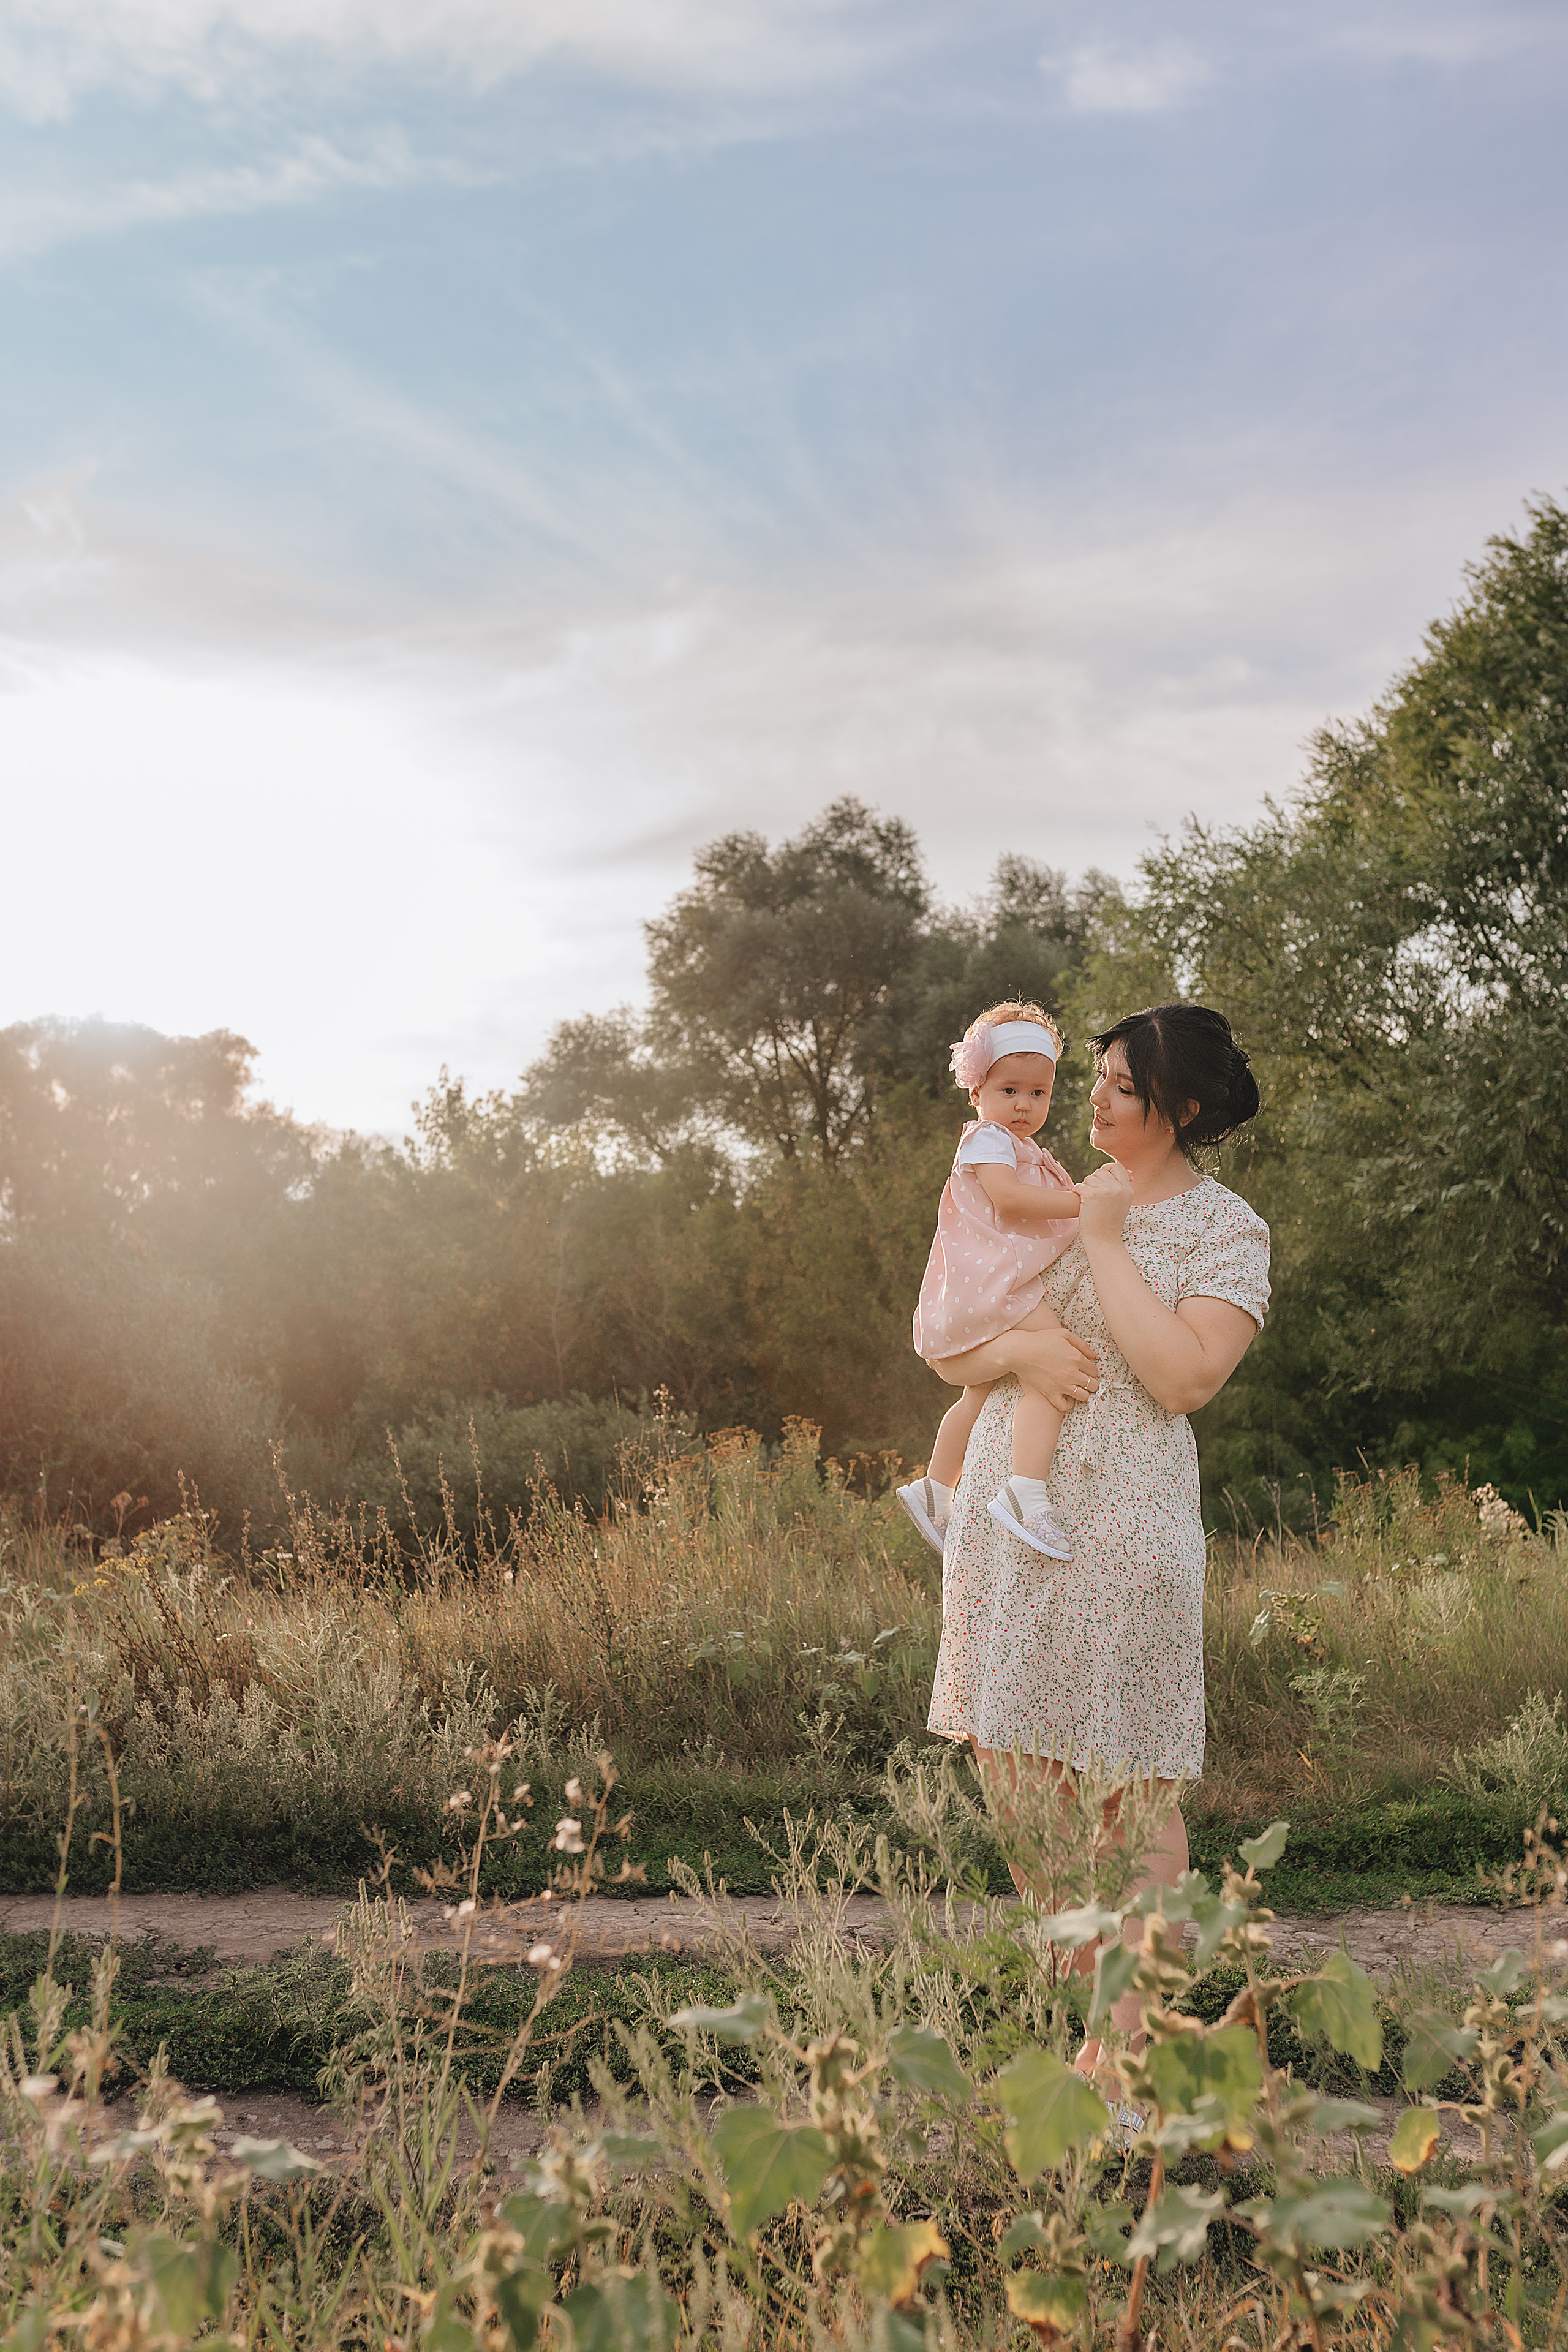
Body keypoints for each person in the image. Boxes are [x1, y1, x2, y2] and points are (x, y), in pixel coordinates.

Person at [924, 1003, 1269, 2108]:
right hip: (1009, 1522)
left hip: (1123, 1528)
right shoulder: (1043, 1186)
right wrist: (1018, 1353)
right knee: (1017, 1777)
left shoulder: (1224, 1228)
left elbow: (1184, 1378)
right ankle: (1113, 2031)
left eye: (1124, 1084)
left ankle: (1131, 2057)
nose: (1096, 1097)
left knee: (1125, 1789)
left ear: (1184, 1107)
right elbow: (954, 1334)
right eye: (1101, 1077)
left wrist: (1108, 1240)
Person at [897, 1003, 1085, 1564]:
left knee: (978, 1394)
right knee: (1057, 1368)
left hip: (989, 1283)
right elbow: (1008, 1200)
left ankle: (935, 1488)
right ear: (977, 1089)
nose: (1024, 1105)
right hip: (1000, 1284)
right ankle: (1026, 1493)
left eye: (1038, 1093)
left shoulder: (1019, 1146)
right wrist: (1085, 1202)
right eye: (1009, 1090)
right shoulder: (988, 1140)